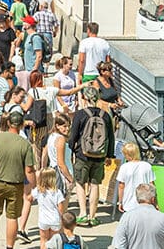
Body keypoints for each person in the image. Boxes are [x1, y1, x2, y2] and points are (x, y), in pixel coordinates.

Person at [0, 113, 35, 249]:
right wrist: (31, 188)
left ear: (9, 123)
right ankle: (9, 246)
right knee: (12, 218)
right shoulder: (25, 144)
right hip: (15, 185)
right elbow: (29, 170)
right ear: (22, 124)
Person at [67, 89, 117, 226]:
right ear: (98, 98)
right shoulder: (106, 115)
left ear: (84, 98)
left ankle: (83, 213)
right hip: (100, 155)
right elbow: (111, 137)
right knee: (95, 184)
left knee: (80, 183)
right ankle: (93, 216)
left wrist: (72, 149)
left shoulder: (80, 114)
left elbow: (73, 135)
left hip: (82, 154)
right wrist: (109, 155)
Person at [109, 183, 164, 249]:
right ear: (153, 199)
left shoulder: (127, 217)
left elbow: (119, 245)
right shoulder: (163, 218)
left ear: (138, 199)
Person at [115, 142, 154, 215]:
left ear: (127, 155)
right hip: (145, 201)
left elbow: (121, 186)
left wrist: (120, 201)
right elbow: (152, 186)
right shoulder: (147, 166)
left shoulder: (124, 167)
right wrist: (155, 202)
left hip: (129, 202)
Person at [30, 167, 65, 249]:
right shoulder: (57, 192)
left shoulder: (38, 191)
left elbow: (30, 198)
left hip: (43, 220)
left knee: (43, 240)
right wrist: (62, 220)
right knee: (55, 242)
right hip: (55, 220)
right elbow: (61, 209)